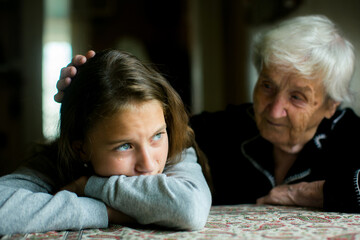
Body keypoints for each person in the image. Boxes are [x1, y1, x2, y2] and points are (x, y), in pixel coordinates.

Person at [56, 15, 360, 213]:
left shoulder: (350, 134)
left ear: (330, 105)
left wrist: (313, 193)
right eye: (267, 85)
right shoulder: (223, 128)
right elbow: (135, 142)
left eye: (297, 97)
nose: (274, 108)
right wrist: (90, 102)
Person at [0, 50, 212, 235]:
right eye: (125, 146)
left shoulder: (176, 149)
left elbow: (189, 209)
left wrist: (88, 186)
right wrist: (108, 212)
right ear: (81, 149)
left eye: (157, 136)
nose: (149, 164)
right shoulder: (54, 165)